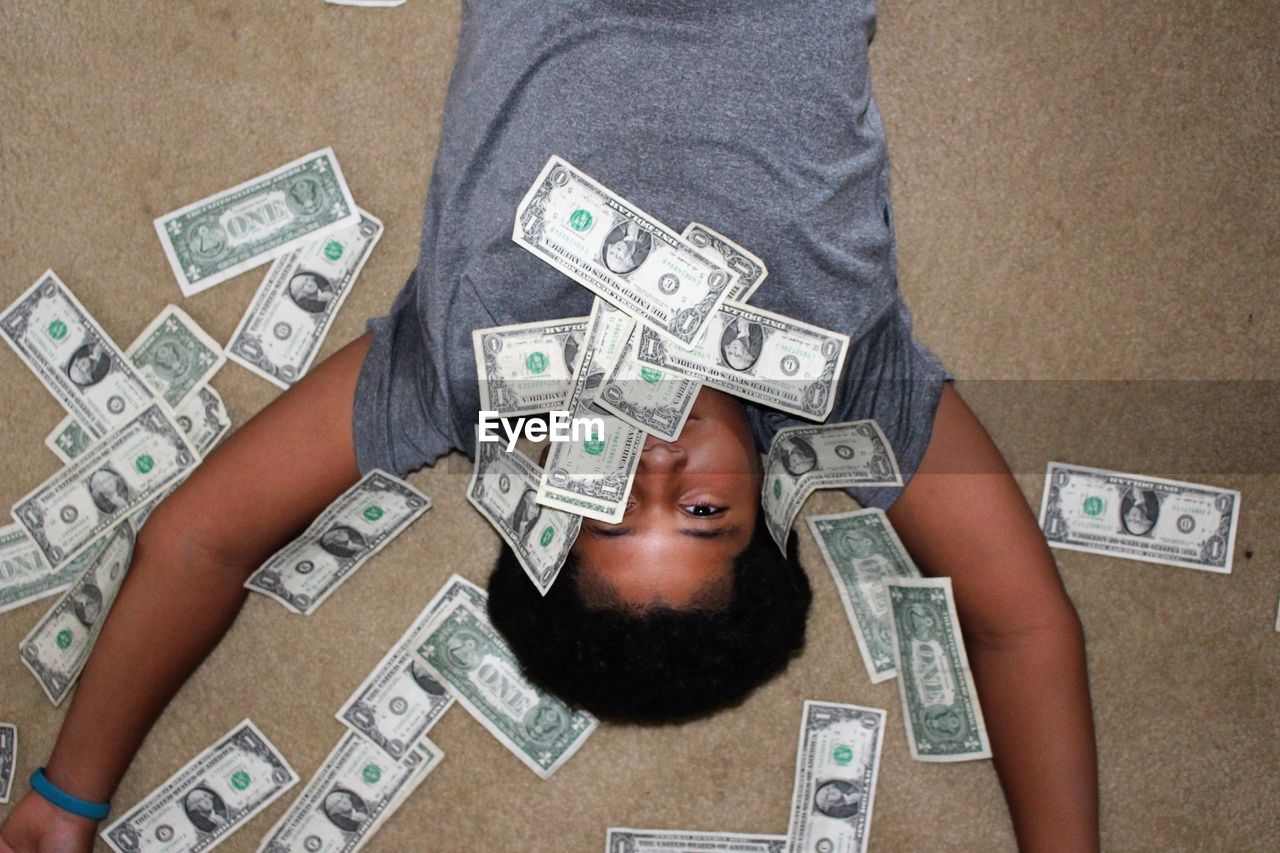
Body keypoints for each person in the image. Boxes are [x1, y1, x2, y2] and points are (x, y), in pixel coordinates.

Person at [0, 2, 1098, 852]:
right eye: (703, 512)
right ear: (770, 504)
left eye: (610, 509)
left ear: (535, 512)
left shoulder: (466, 377)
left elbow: (201, 538)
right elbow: (1022, 627)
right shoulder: (847, 381)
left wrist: (68, 790)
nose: (657, 465)